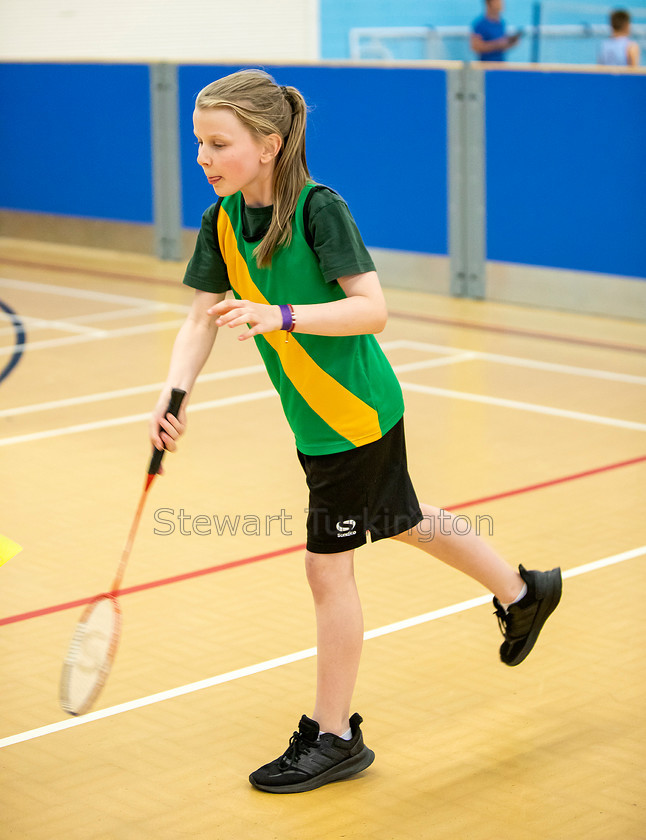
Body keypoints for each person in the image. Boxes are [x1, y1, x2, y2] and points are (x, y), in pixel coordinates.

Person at [150, 68, 562, 794]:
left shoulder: (317, 209)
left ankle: (335, 735)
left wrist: (278, 316)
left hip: (353, 414)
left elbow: (371, 309)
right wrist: (174, 393)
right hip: (318, 418)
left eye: (219, 143)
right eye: (199, 145)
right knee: (398, 519)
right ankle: (524, 592)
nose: (204, 159)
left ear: (269, 144)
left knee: (326, 566)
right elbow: (198, 316)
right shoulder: (221, 222)